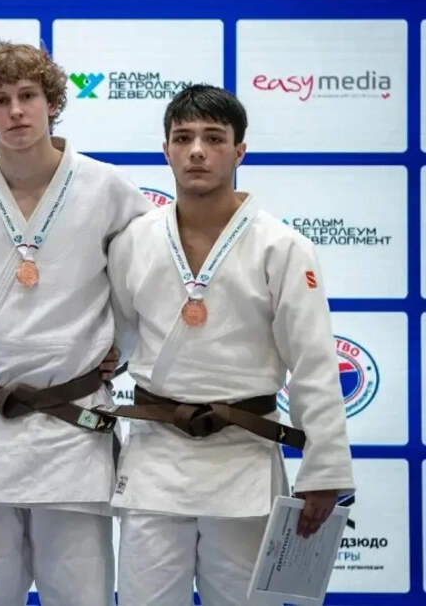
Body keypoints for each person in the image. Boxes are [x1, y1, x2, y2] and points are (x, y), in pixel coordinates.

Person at [106, 84, 355, 605]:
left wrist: (324, 468)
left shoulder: (282, 246)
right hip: (156, 457)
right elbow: (119, 337)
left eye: (214, 138)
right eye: (183, 138)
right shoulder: (133, 241)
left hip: (243, 455)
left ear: (239, 151)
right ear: (166, 150)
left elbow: (313, 363)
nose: (197, 150)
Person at [0, 42, 151, 606]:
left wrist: (118, 351)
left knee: (82, 597)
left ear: (52, 103)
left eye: (28, 95)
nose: (16, 111)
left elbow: (144, 288)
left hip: (74, 428)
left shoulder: (109, 189)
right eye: (0, 100)